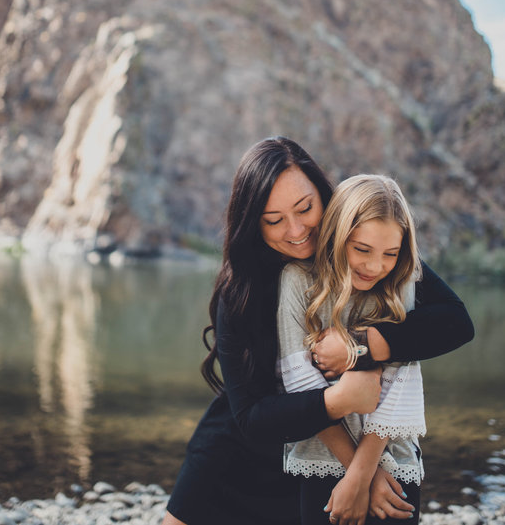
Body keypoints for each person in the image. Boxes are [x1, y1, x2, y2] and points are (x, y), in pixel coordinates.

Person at [163, 138, 474, 525]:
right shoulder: (242, 290)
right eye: (273, 220)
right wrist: (347, 426)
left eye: (305, 208)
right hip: (257, 434)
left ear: (325, 198)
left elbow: (454, 322)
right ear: (253, 223)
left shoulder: (365, 248)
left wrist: (361, 346)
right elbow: (250, 415)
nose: (296, 230)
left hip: (330, 444)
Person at [278, 174, 428, 525]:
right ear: (337, 234)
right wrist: (359, 476)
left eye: (390, 254)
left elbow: (399, 383)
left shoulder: (401, 282)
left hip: (392, 462)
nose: (375, 266)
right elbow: (300, 383)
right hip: (321, 456)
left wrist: (363, 473)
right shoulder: (298, 280)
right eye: (362, 249)